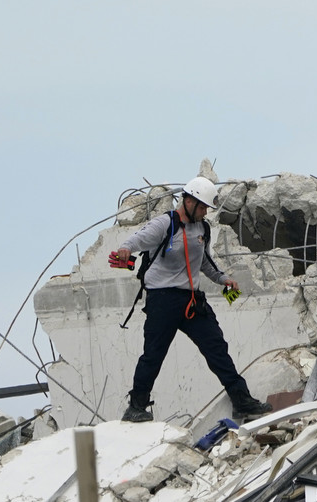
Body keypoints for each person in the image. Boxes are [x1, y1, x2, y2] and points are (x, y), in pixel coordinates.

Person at [109, 176, 272, 422]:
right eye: (203, 206)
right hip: (162, 299)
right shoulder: (164, 225)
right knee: (153, 354)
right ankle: (136, 406)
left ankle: (241, 401)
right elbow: (136, 240)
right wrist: (125, 250)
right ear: (189, 201)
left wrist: (222, 279)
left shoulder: (202, 228)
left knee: (217, 348)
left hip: (192, 301)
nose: (206, 212)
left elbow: (203, 261)